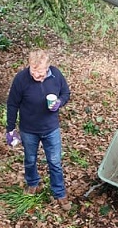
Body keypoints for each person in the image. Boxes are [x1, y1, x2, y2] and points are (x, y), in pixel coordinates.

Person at [6, 49, 71, 201]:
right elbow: (12, 104)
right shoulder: (21, 79)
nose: (36, 75)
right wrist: (10, 129)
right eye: (33, 70)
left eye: (40, 71)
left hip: (51, 128)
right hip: (29, 129)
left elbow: (66, 93)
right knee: (30, 159)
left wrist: (59, 103)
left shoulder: (56, 75)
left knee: (55, 162)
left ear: (48, 67)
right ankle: (32, 182)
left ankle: (59, 193)